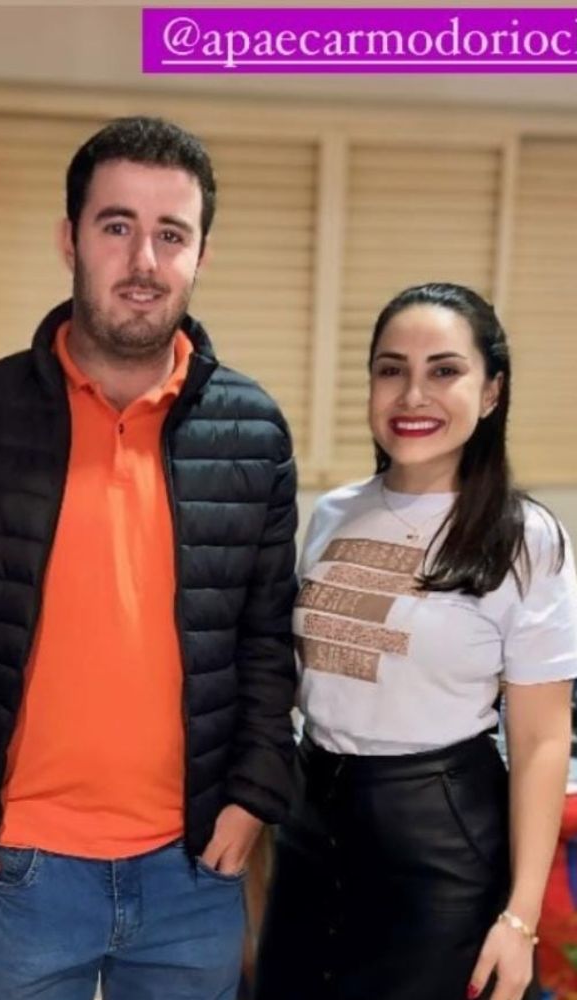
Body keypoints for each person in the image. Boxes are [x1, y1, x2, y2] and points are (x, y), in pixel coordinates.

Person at [0, 115, 299, 1000]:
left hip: (192, 868)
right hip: (25, 866)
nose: (144, 261)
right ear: (70, 239)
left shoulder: (252, 430)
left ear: (201, 254)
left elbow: (265, 637)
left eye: (172, 234)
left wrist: (253, 795)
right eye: (117, 226)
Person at [254, 282, 577, 1000]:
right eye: (391, 369)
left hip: (438, 843)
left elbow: (540, 741)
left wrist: (520, 919)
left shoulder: (525, 539)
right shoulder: (335, 512)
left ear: (491, 393)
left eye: (444, 370)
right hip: (311, 823)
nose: (412, 395)